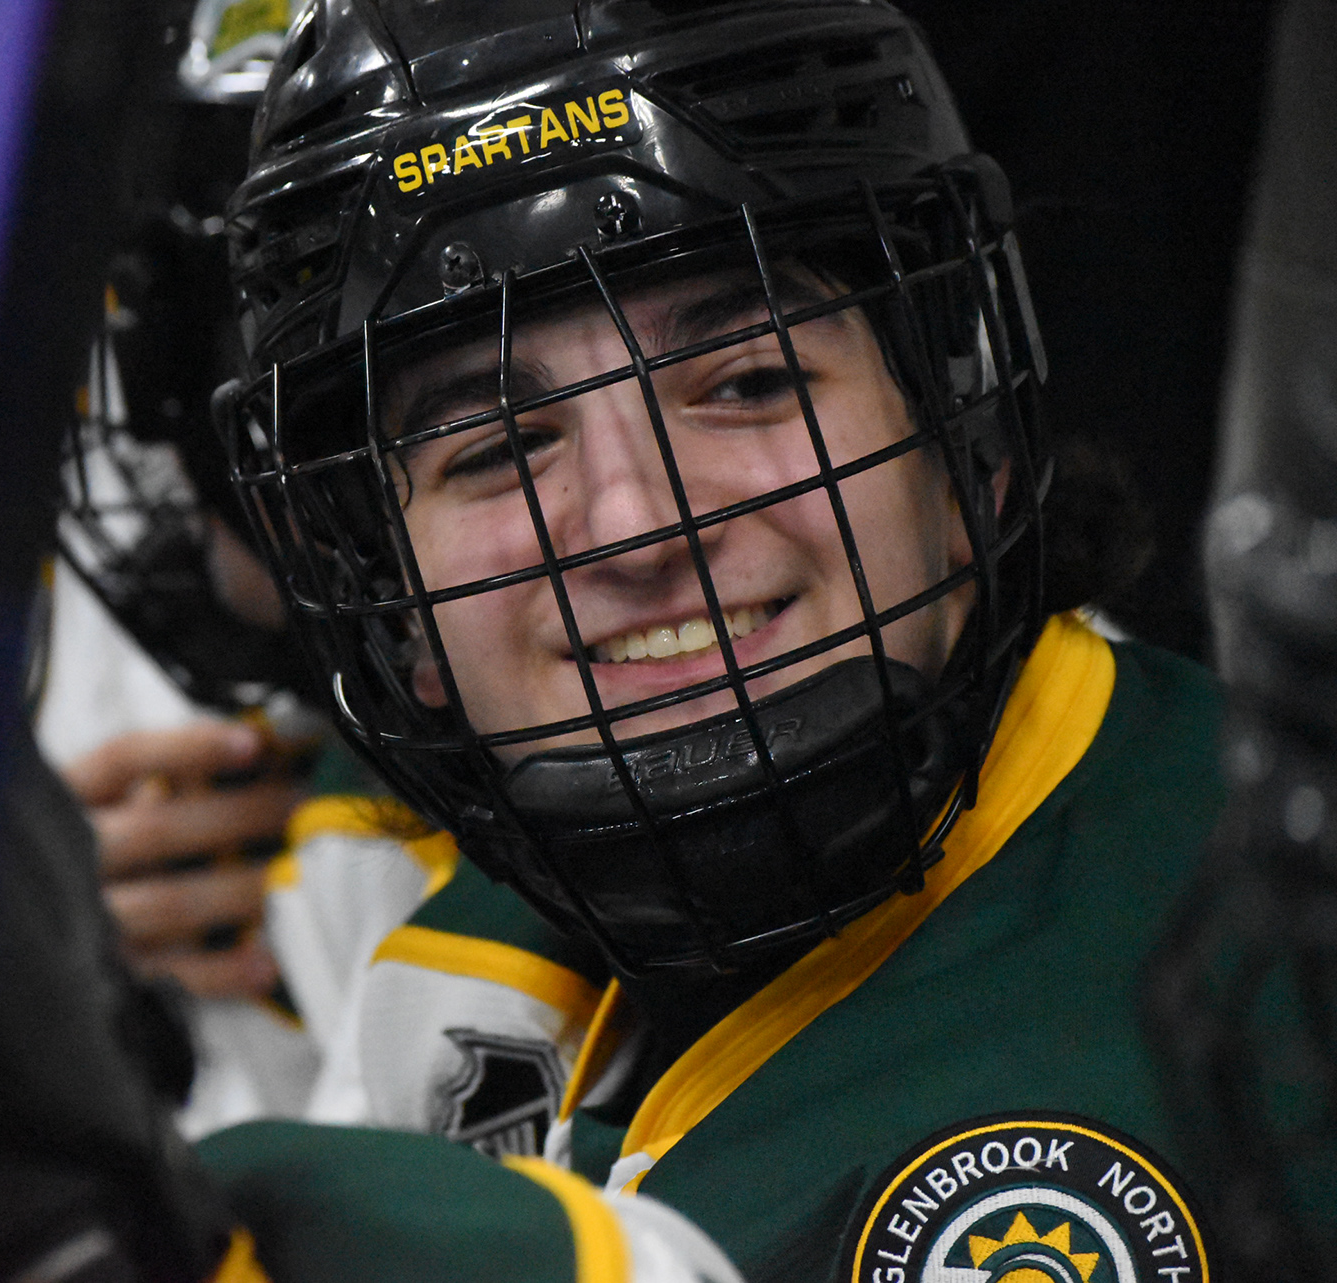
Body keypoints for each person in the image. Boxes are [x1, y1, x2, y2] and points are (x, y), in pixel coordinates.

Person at [191, 3, 1226, 1280]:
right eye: (500, 447)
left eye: (748, 382)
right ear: (394, 598)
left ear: (964, 445)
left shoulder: (1272, 958)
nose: (635, 524)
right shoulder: (455, 970)